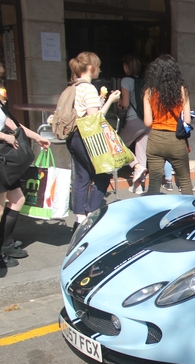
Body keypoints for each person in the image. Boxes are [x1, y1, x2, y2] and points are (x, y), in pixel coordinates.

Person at [0, 53, 51, 268]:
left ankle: (5, 244)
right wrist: (5, 137)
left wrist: (36, 137)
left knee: (17, 199)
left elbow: (11, 123)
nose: (0, 72)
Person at [66, 52, 120, 232]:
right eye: (98, 66)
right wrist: (111, 100)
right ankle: (91, 214)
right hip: (87, 138)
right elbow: (94, 118)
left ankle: (79, 219)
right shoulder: (88, 88)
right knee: (103, 174)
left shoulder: (74, 87)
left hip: (73, 137)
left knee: (81, 178)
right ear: (91, 68)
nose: (100, 69)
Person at [142, 54, 193, 195]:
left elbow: (147, 122)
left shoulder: (149, 92)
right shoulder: (182, 90)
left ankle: (153, 215)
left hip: (155, 139)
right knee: (185, 181)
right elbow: (187, 120)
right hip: (176, 140)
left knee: (154, 184)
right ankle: (191, 215)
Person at [118, 54, 149, 194]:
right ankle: (139, 186)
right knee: (141, 152)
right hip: (147, 121)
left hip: (134, 119)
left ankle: (136, 166)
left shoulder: (126, 81)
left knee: (117, 145)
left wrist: (118, 102)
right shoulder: (145, 81)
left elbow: (124, 103)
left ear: (126, 67)